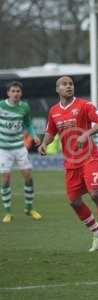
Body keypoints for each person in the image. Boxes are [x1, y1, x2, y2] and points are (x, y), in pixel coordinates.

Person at [38, 76, 98, 251]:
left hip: (89, 156)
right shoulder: (53, 111)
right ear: (57, 89)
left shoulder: (85, 105)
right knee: (74, 201)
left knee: (95, 194)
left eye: (71, 84)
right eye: (64, 84)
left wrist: (86, 134)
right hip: (71, 162)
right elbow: (51, 132)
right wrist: (44, 143)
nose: (68, 87)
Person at [0, 81, 42, 223]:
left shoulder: (24, 107)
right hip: (4, 149)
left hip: (19, 147)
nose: (16, 93)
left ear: (21, 93)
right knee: (5, 178)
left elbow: (28, 123)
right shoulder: (1, 106)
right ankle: (8, 212)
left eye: (18, 91)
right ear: (8, 93)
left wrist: (34, 135)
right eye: (13, 91)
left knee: (28, 177)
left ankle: (29, 208)